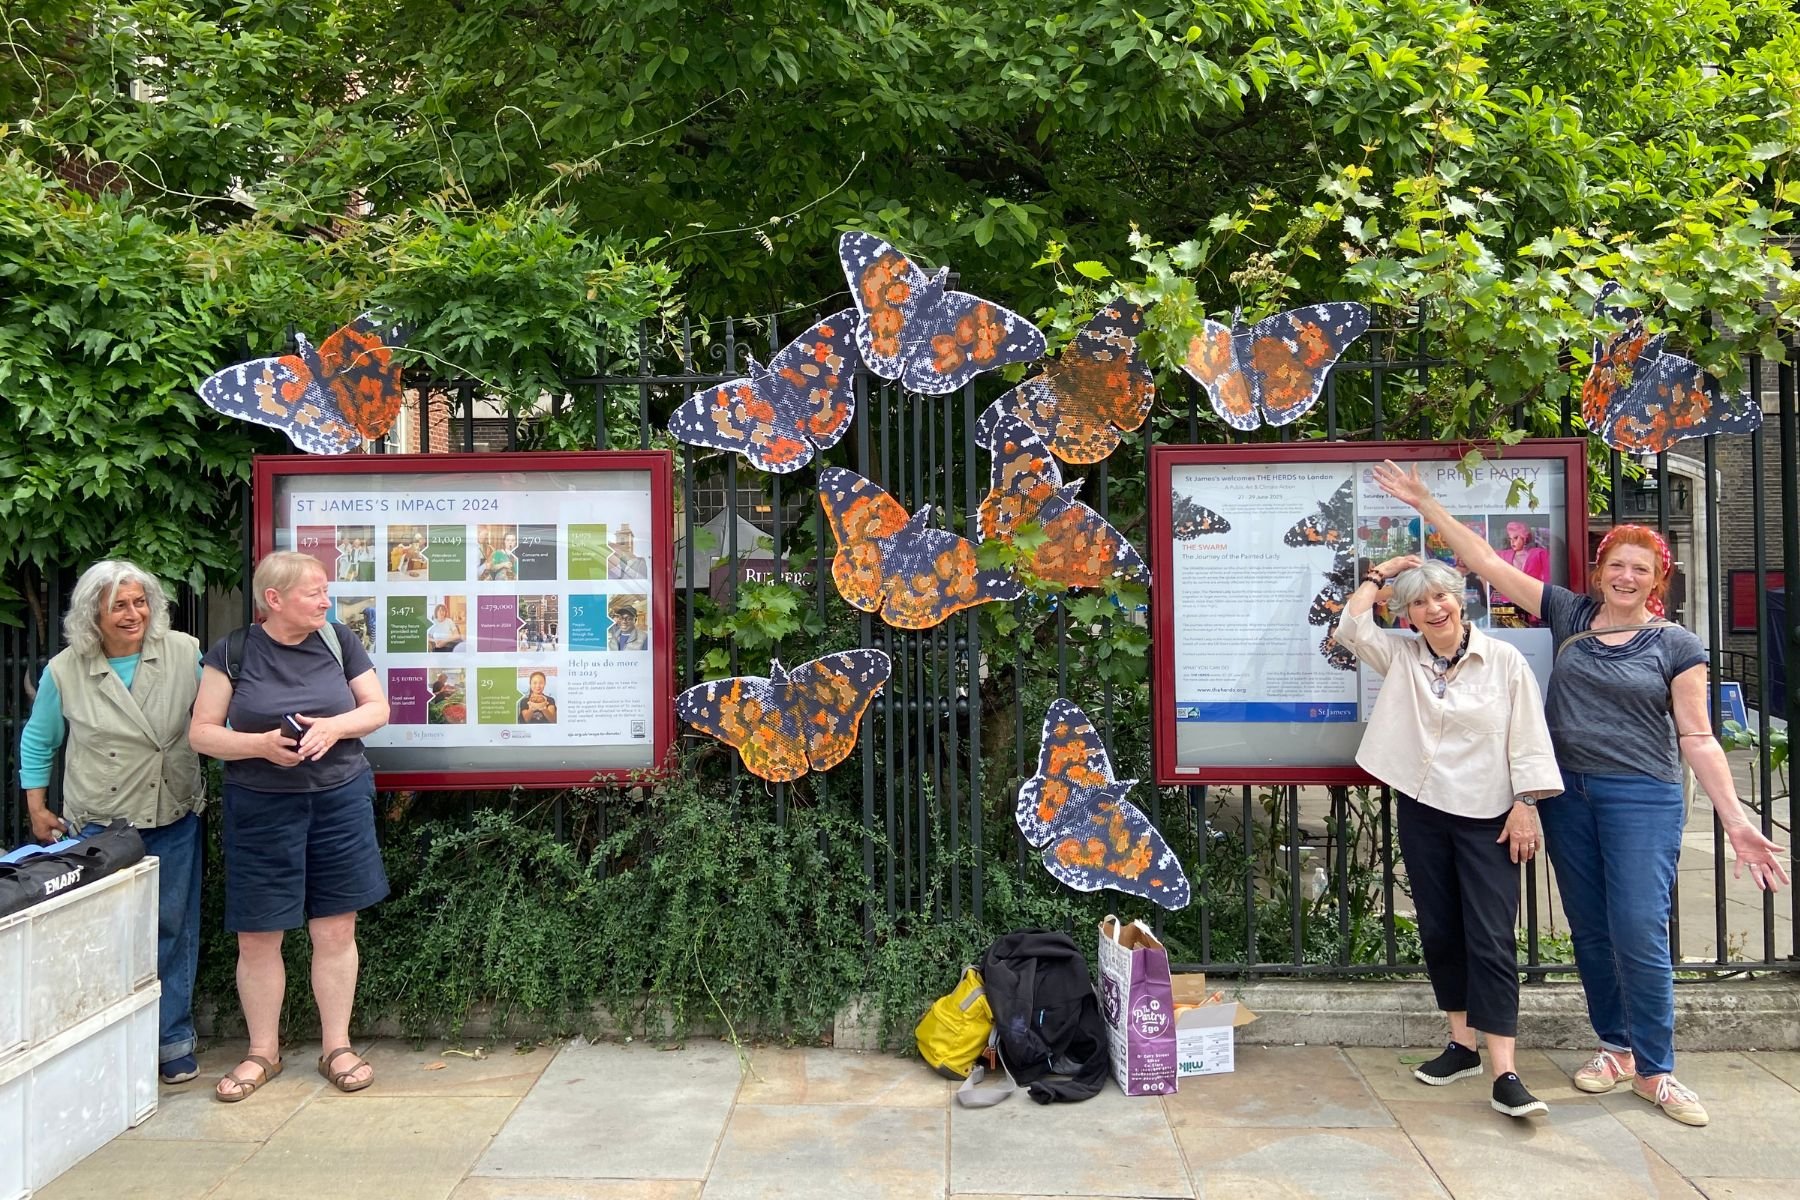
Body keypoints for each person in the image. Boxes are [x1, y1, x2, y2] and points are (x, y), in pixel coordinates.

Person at [1374, 461, 1790, 1127]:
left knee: (1638, 930)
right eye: (1616, 566)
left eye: (1641, 569)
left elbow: (1699, 736)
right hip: (1568, 796)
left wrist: (1735, 818)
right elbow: (1482, 559)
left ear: (1659, 580)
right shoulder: (1570, 612)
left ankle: (1657, 1071)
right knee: (1591, 929)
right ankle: (1615, 1048)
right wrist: (1426, 503)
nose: (1626, 577)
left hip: (1641, 796)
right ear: (1599, 571)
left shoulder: (1676, 644)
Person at [1333, 555, 1563, 1119]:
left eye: (1441, 597)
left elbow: (1529, 736)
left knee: (1490, 937)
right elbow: (1350, 627)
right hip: (1424, 808)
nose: (1433, 609)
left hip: (1489, 814)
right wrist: (1379, 574)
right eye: (1419, 602)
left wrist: (1525, 805)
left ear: (1461, 600)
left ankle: (1505, 1069)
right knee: (1439, 930)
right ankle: (1461, 1045)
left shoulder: (1503, 661)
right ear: (1407, 614)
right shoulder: (1404, 656)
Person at [189, 550, 390, 1103]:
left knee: (335, 930)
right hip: (259, 806)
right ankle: (262, 1052)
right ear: (273, 600)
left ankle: (337, 1047)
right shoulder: (231, 652)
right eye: (315, 592)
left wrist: (333, 728)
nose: (327, 601)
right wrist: (257, 746)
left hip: (338, 801)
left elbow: (376, 709)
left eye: (327, 591)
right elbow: (202, 734)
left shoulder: (339, 641)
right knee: (257, 935)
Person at [17, 561, 206, 1085]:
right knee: (105, 937)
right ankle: (106, 1046)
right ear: (93, 615)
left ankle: (173, 1040)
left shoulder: (185, 653)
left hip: (172, 812)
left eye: (140, 602)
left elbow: (218, 715)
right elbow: (39, 739)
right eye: (118, 605)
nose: (133, 614)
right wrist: (36, 805)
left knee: (173, 928)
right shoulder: (65, 670)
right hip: (102, 826)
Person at [1491, 522, 1551, 627]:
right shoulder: (1503, 555)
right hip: (1507, 608)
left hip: (1532, 605)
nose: (1512, 542)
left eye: (1516, 538)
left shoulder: (1539, 554)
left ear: (1524, 537)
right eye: (1510, 539)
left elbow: (1547, 578)